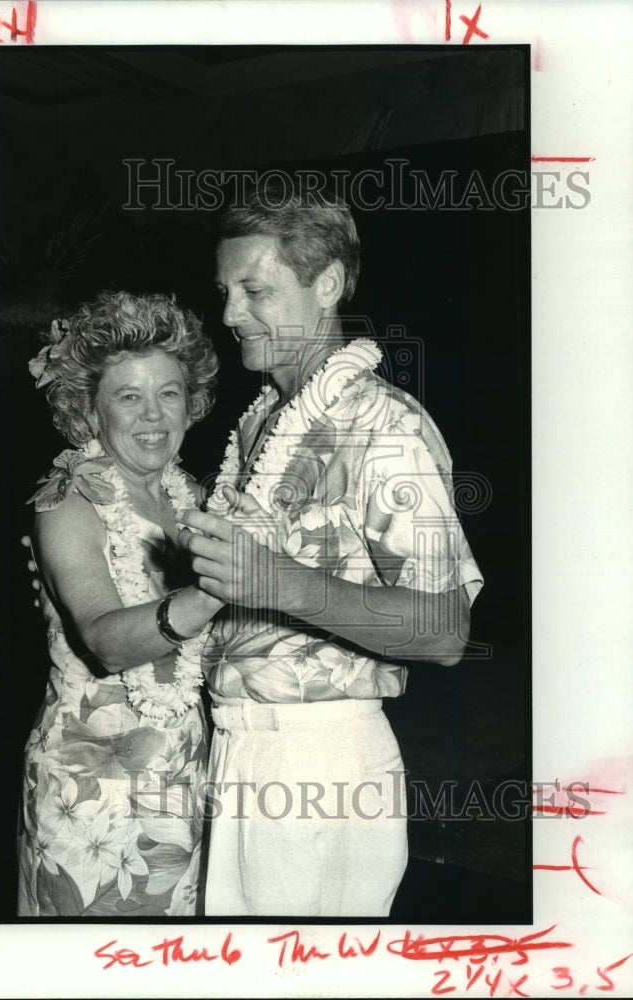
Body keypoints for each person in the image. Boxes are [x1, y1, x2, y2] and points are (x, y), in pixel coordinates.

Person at [177, 181, 484, 917]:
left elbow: (444, 633)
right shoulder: (257, 424)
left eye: (255, 290)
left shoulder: (387, 428)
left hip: (319, 762)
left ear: (329, 284)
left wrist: (279, 582)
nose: (228, 314)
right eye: (224, 291)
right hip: (239, 748)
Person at [16, 290, 222, 917]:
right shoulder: (68, 501)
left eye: (170, 392)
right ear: (90, 410)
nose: (153, 414)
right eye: (128, 396)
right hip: (90, 797)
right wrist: (221, 588)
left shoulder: (197, 503)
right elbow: (106, 640)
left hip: (185, 781)